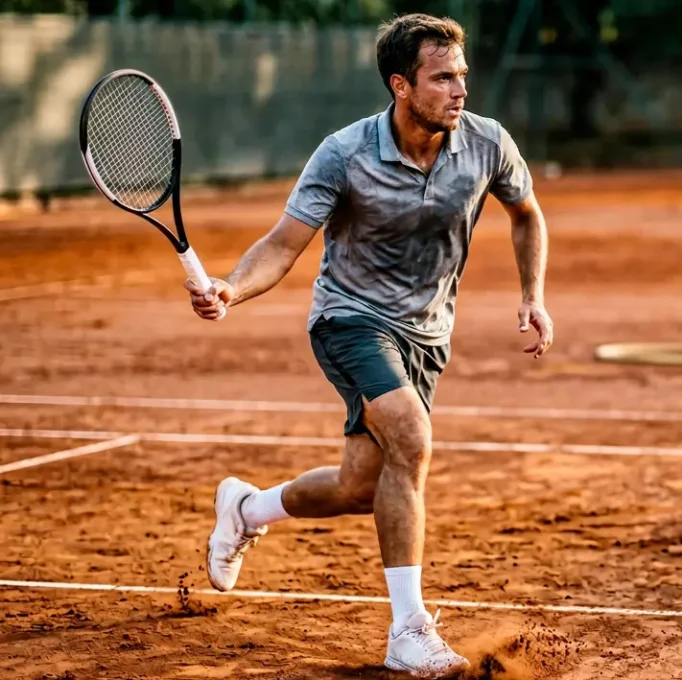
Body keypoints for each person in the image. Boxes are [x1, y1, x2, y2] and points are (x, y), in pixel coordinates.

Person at [184, 13, 553, 679]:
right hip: (349, 320)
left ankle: (246, 507)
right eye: (443, 78)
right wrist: (232, 288)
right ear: (402, 86)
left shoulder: (487, 144)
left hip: (427, 333)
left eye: (462, 76)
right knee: (410, 440)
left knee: (364, 485)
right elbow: (282, 244)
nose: (460, 90)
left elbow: (527, 213)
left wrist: (532, 293)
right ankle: (408, 631)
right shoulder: (345, 153)